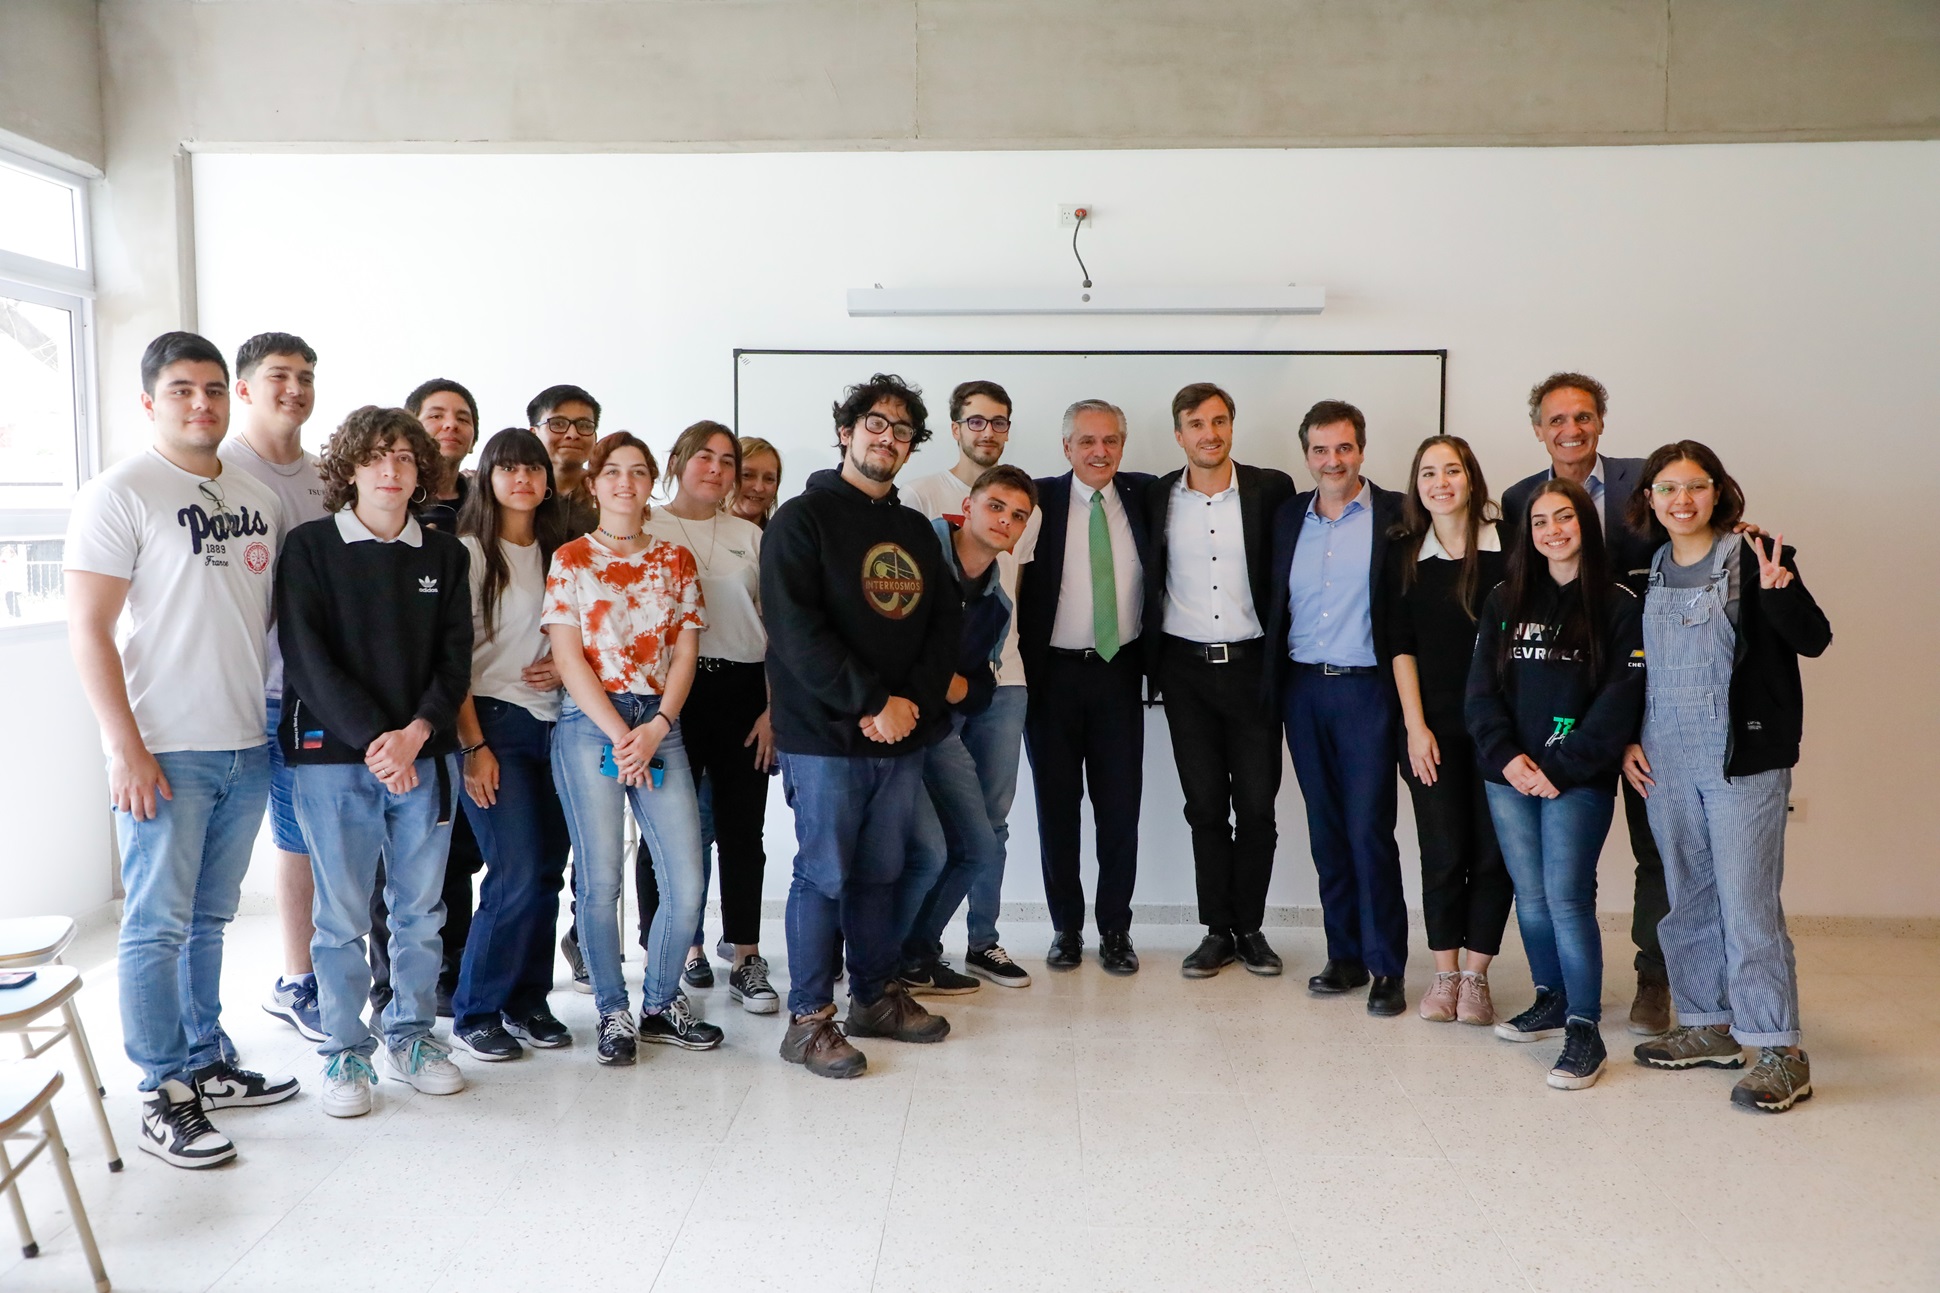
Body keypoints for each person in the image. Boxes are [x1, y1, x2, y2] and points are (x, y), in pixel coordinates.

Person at [65, 331, 296, 1168]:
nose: (201, 404)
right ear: (149, 402)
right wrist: (125, 748)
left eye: (212, 390)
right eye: (182, 391)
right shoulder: (121, 492)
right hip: (164, 747)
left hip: (246, 742)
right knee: (156, 924)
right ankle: (162, 1091)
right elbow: (88, 630)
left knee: (209, 918)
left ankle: (205, 1058)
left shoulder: (254, 497)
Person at [277, 406, 474, 1117]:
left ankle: (414, 1035)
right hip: (335, 757)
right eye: (376, 456)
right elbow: (309, 658)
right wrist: (375, 741)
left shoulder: (446, 554)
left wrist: (416, 733)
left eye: (404, 458)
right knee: (339, 916)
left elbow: (456, 663)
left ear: (422, 470)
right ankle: (343, 1051)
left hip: (423, 755)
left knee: (420, 910)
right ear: (350, 468)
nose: (391, 470)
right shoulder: (310, 548)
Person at [1622, 442, 1830, 1113]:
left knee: (1747, 906)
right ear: (1649, 497)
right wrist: (1628, 738)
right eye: (1668, 488)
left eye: (1696, 486)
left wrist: (1782, 589)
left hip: (1742, 758)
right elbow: (1632, 670)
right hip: (1665, 756)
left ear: (1718, 492)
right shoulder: (1646, 568)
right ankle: (1709, 1025)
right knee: (1686, 898)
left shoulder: (1758, 555)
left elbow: (1814, 637)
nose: (1682, 500)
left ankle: (1779, 1049)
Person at [764, 374, 960, 1079]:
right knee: (824, 874)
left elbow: (943, 628)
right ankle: (808, 1019)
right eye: (875, 423)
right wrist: (872, 700)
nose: (888, 438)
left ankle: (874, 997)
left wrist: (907, 703)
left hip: (899, 734)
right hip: (825, 737)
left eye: (903, 430)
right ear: (846, 431)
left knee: (880, 873)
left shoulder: (913, 530)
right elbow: (795, 631)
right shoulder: (801, 519)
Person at [544, 432, 724, 1065]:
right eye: (613, 471)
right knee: (600, 881)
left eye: (638, 471)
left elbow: (685, 652)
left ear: (654, 483)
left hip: (660, 722)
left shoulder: (674, 560)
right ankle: (612, 1012)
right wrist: (622, 734)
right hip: (590, 723)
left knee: (688, 876)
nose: (626, 481)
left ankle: (660, 1002)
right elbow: (567, 657)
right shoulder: (569, 558)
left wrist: (655, 726)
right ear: (594, 484)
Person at [1501, 373, 1671, 1036]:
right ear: (1539, 430)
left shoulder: (1645, 483)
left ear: (1600, 420)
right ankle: (1574, 986)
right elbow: (1521, 604)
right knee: (1565, 870)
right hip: (1573, 708)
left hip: (1652, 692)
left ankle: (1652, 976)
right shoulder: (1521, 499)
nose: (1570, 430)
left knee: (1653, 843)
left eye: (1582, 416)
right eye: (1555, 420)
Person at [1466, 478, 1644, 1091]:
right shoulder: (1504, 598)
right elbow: (1480, 695)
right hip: (1509, 775)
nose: (1552, 531)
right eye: (1540, 522)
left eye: (1564, 518)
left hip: (1579, 779)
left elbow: (1621, 703)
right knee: (1532, 894)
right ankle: (1550, 996)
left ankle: (1584, 1028)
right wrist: (1508, 758)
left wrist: (1560, 769)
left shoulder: (1619, 604)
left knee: (1567, 897)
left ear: (1584, 524)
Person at [1261, 400, 1408, 1013]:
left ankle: (1387, 967)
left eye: (1343, 448)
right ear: (1306, 456)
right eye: (1320, 450)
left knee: (1369, 828)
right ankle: (1344, 955)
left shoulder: (1400, 513)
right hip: (1302, 689)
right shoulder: (1288, 515)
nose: (1332, 460)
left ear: (1362, 450)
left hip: (1367, 689)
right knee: (1326, 831)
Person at [1146, 383, 1296, 978]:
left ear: (1232, 426)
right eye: (1196, 424)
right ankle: (1215, 930)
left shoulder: (1271, 488)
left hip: (1255, 667)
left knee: (1257, 806)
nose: (1210, 433)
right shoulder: (1157, 496)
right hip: (1185, 672)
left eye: (1219, 421)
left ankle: (1251, 928)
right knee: (1204, 806)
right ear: (1178, 434)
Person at [899, 381, 1042, 986]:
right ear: (956, 427)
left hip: (999, 680)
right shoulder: (922, 496)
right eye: (976, 420)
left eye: (1000, 422)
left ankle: (982, 941)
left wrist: (978, 675)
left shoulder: (1021, 506)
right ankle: (905, 951)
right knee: (933, 833)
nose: (989, 430)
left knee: (992, 822)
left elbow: (1011, 597)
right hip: (924, 696)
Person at [639, 421, 780, 1014]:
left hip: (743, 688)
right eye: (705, 456)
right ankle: (673, 954)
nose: (717, 469)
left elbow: (777, 627)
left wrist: (774, 709)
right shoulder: (642, 526)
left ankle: (745, 955)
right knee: (666, 833)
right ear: (676, 461)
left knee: (743, 830)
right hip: (669, 693)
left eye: (728, 460)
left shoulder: (750, 534)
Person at [445, 429, 575, 1062]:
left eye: (533, 469)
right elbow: (451, 662)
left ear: (548, 480)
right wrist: (473, 747)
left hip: (560, 726)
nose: (522, 480)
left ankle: (528, 1001)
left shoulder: (563, 551)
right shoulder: (469, 552)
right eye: (509, 469)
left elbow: (582, 635)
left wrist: (566, 664)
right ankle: (476, 1009)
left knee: (547, 873)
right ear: (487, 477)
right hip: (495, 724)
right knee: (516, 870)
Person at [217, 332, 331, 1046]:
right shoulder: (219, 470)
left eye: (306, 376)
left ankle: (302, 976)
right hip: (235, 692)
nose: (294, 387)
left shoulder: (327, 478)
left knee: (303, 840)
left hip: (311, 692)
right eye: (278, 375)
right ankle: (210, 1026)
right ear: (245, 389)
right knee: (215, 867)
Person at [1016, 400, 1155, 974]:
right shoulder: (1037, 499)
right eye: (1087, 441)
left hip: (1119, 672)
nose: (1100, 451)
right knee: (1057, 810)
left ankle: (1116, 929)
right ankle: (1066, 929)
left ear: (1123, 445)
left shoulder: (1145, 495)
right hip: (1051, 678)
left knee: (1120, 809)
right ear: (1066, 446)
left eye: (1111, 441)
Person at [1386, 435, 1510, 1025]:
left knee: (1493, 856)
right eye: (1428, 472)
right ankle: (1442, 973)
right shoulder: (1404, 552)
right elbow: (1399, 646)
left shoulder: (1511, 544)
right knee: (1442, 851)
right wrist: (1415, 727)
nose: (1441, 482)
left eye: (1452, 470)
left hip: (1502, 733)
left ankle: (1476, 978)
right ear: (1417, 484)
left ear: (1471, 477)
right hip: (1431, 731)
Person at [386, 377, 487, 1015]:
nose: (449, 426)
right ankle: (397, 991)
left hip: (463, 697)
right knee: (403, 867)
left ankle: (457, 967)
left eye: (462, 416)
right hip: (398, 708)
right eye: (435, 415)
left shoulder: (488, 495)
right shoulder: (393, 498)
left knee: (464, 851)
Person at [530, 384, 601, 540]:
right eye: (558, 424)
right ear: (533, 435)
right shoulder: (514, 491)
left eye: (584, 425)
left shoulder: (608, 496)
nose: (573, 434)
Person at [408, 378, 479, 533]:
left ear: (473, 442)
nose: (451, 424)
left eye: (463, 419)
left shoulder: (485, 504)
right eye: (436, 416)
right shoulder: (390, 499)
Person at [733, 437, 783, 528]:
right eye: (747, 475)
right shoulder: (700, 535)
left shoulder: (782, 538)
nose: (759, 488)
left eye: (769, 479)